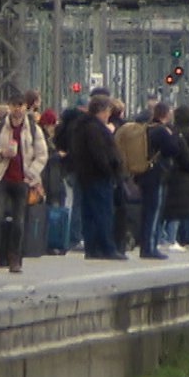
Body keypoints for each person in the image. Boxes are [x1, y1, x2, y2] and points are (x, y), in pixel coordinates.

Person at [0, 87, 48, 273]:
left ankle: (14, 258)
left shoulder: (33, 129)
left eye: (20, 105)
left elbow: (42, 155)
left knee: (19, 221)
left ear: (25, 107)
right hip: (0, 178)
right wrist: (1, 153)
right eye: (13, 105)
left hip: (22, 180)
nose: (17, 109)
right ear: (8, 107)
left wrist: (31, 174)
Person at [139, 102, 189, 259]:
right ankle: (150, 247)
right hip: (157, 174)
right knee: (154, 212)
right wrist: (173, 135)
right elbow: (173, 149)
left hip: (145, 173)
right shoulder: (162, 131)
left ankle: (147, 245)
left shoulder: (147, 129)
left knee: (147, 211)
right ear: (166, 114)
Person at [72, 96, 123, 259]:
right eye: (108, 110)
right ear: (101, 111)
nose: (109, 114)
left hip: (85, 175)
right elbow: (100, 153)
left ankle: (92, 248)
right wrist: (110, 170)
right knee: (103, 212)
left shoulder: (82, 126)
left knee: (89, 213)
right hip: (98, 176)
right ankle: (107, 247)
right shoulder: (95, 128)